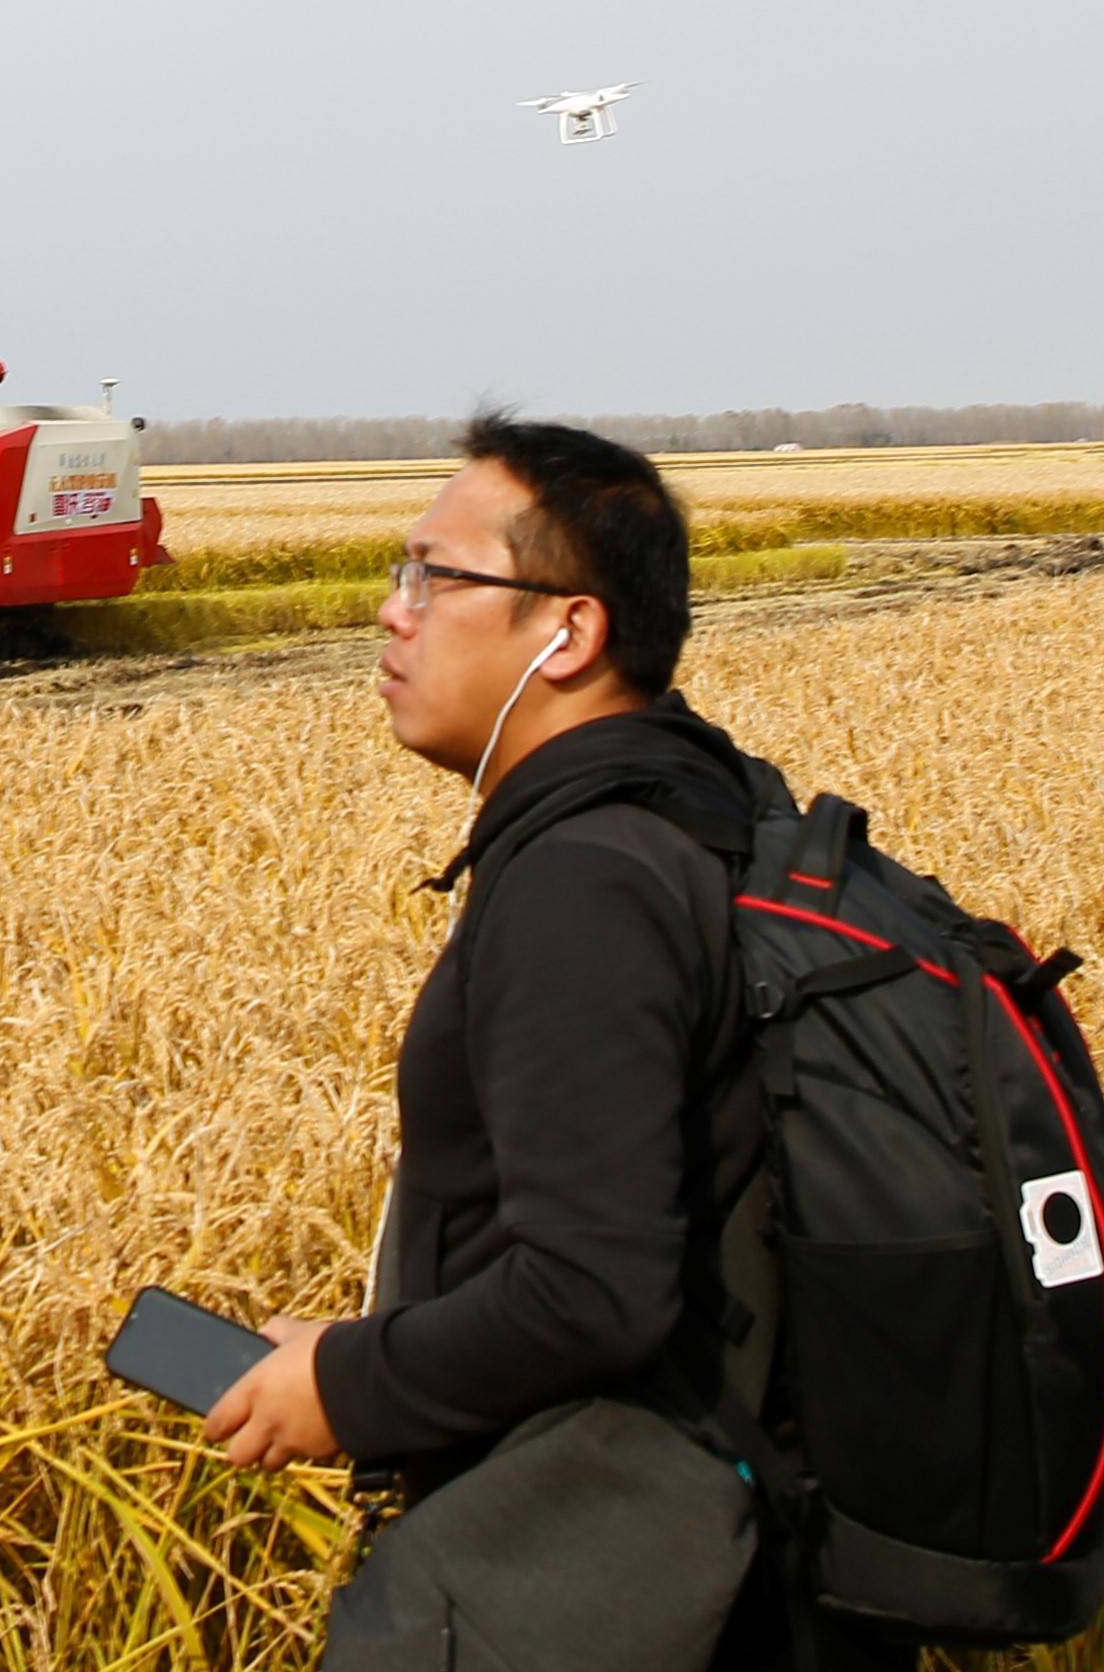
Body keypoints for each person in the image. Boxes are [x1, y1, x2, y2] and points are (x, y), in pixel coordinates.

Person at [199, 416, 768, 1671]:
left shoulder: (588, 882)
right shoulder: (700, 813)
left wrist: (347, 1386)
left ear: (568, 632)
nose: (394, 613)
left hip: (619, 1571)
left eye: (436, 577)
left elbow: (593, 1290)